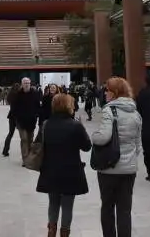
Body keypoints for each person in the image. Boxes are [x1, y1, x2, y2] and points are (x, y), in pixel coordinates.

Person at [92, 77, 142, 237]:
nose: (105, 93)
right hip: (129, 170)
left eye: (107, 90)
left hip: (109, 168)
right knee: (125, 210)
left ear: (114, 93)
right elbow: (138, 144)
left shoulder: (109, 111)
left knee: (107, 207)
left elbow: (103, 138)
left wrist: (94, 135)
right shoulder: (135, 112)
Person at [37, 93, 91, 237]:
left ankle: (51, 231)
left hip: (50, 169)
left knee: (53, 203)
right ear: (68, 106)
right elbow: (87, 146)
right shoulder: (75, 125)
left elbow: (38, 144)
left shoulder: (46, 124)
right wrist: (82, 128)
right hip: (70, 171)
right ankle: (65, 233)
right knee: (67, 205)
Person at [13, 77, 41, 165]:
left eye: (28, 83)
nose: (26, 84)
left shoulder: (35, 94)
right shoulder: (18, 94)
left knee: (30, 139)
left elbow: (38, 106)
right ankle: (25, 159)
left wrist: (36, 115)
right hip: (21, 121)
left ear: (30, 84)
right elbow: (14, 107)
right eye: (25, 83)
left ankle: (29, 156)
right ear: (22, 84)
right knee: (24, 139)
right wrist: (17, 116)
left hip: (31, 121)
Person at [2, 82, 20, 157]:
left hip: (12, 116)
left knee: (10, 133)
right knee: (23, 134)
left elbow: (8, 102)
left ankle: (5, 150)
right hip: (19, 116)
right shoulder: (19, 95)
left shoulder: (11, 94)